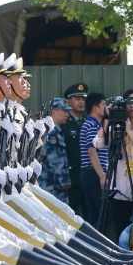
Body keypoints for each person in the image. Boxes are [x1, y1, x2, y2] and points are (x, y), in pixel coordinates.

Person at [94, 88, 133, 237]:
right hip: (120, 194)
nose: (132, 106)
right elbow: (97, 143)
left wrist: (129, 131)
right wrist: (107, 119)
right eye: (128, 103)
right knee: (122, 235)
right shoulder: (115, 130)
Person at [79, 92, 108, 228]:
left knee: (98, 215)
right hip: (93, 173)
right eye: (103, 105)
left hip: (93, 173)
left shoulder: (97, 125)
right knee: (100, 214)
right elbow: (92, 151)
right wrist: (101, 175)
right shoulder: (91, 125)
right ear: (95, 108)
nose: (106, 108)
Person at [39, 97, 73, 204]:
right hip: (51, 184)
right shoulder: (50, 132)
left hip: (55, 185)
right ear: (54, 111)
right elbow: (53, 159)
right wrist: (64, 179)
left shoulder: (57, 131)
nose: (67, 115)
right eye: (64, 111)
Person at [61, 82, 88, 216]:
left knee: (92, 217)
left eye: (83, 99)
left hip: (86, 179)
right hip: (70, 180)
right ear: (69, 101)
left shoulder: (87, 121)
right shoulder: (64, 123)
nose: (81, 102)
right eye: (77, 99)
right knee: (68, 217)